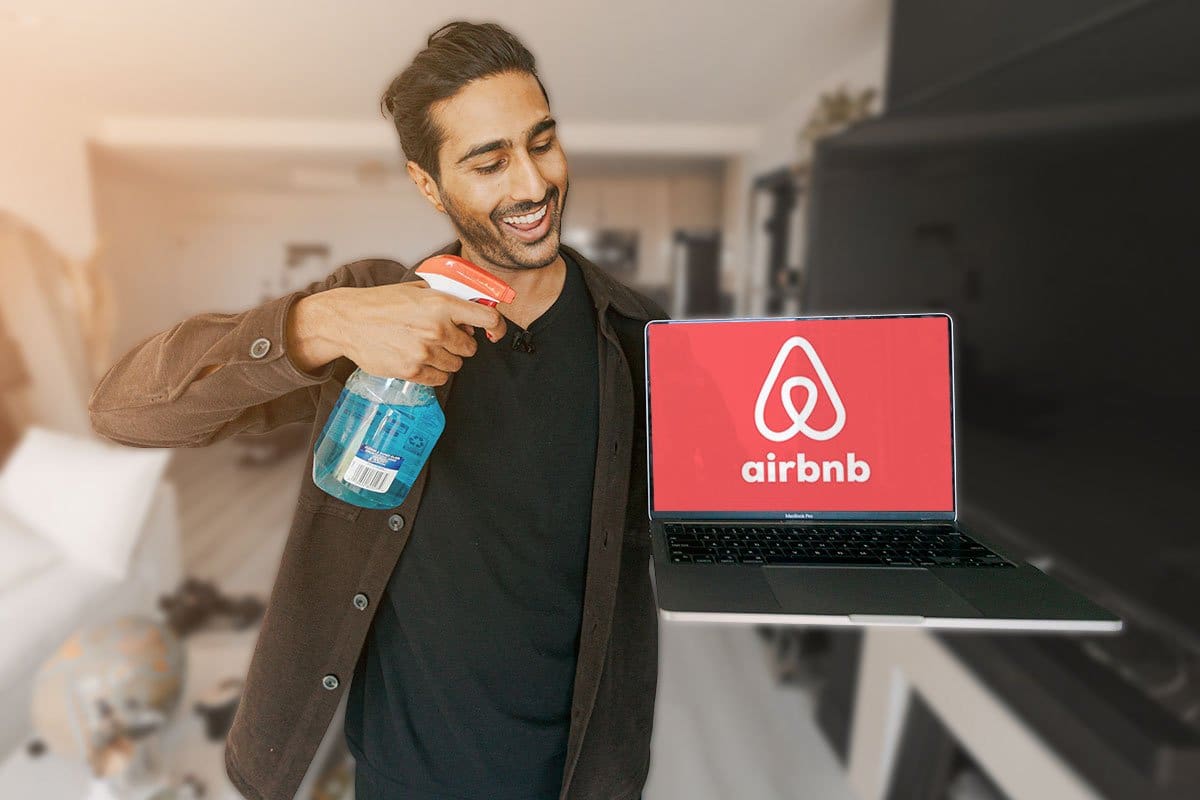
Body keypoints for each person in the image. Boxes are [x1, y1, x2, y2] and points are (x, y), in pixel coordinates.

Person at [89, 20, 666, 800]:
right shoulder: (368, 308)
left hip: (577, 777)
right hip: (400, 773)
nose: (532, 185)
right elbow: (124, 410)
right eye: (488, 162)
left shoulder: (638, 340)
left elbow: (740, 505)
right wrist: (322, 323)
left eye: (542, 143)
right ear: (428, 185)